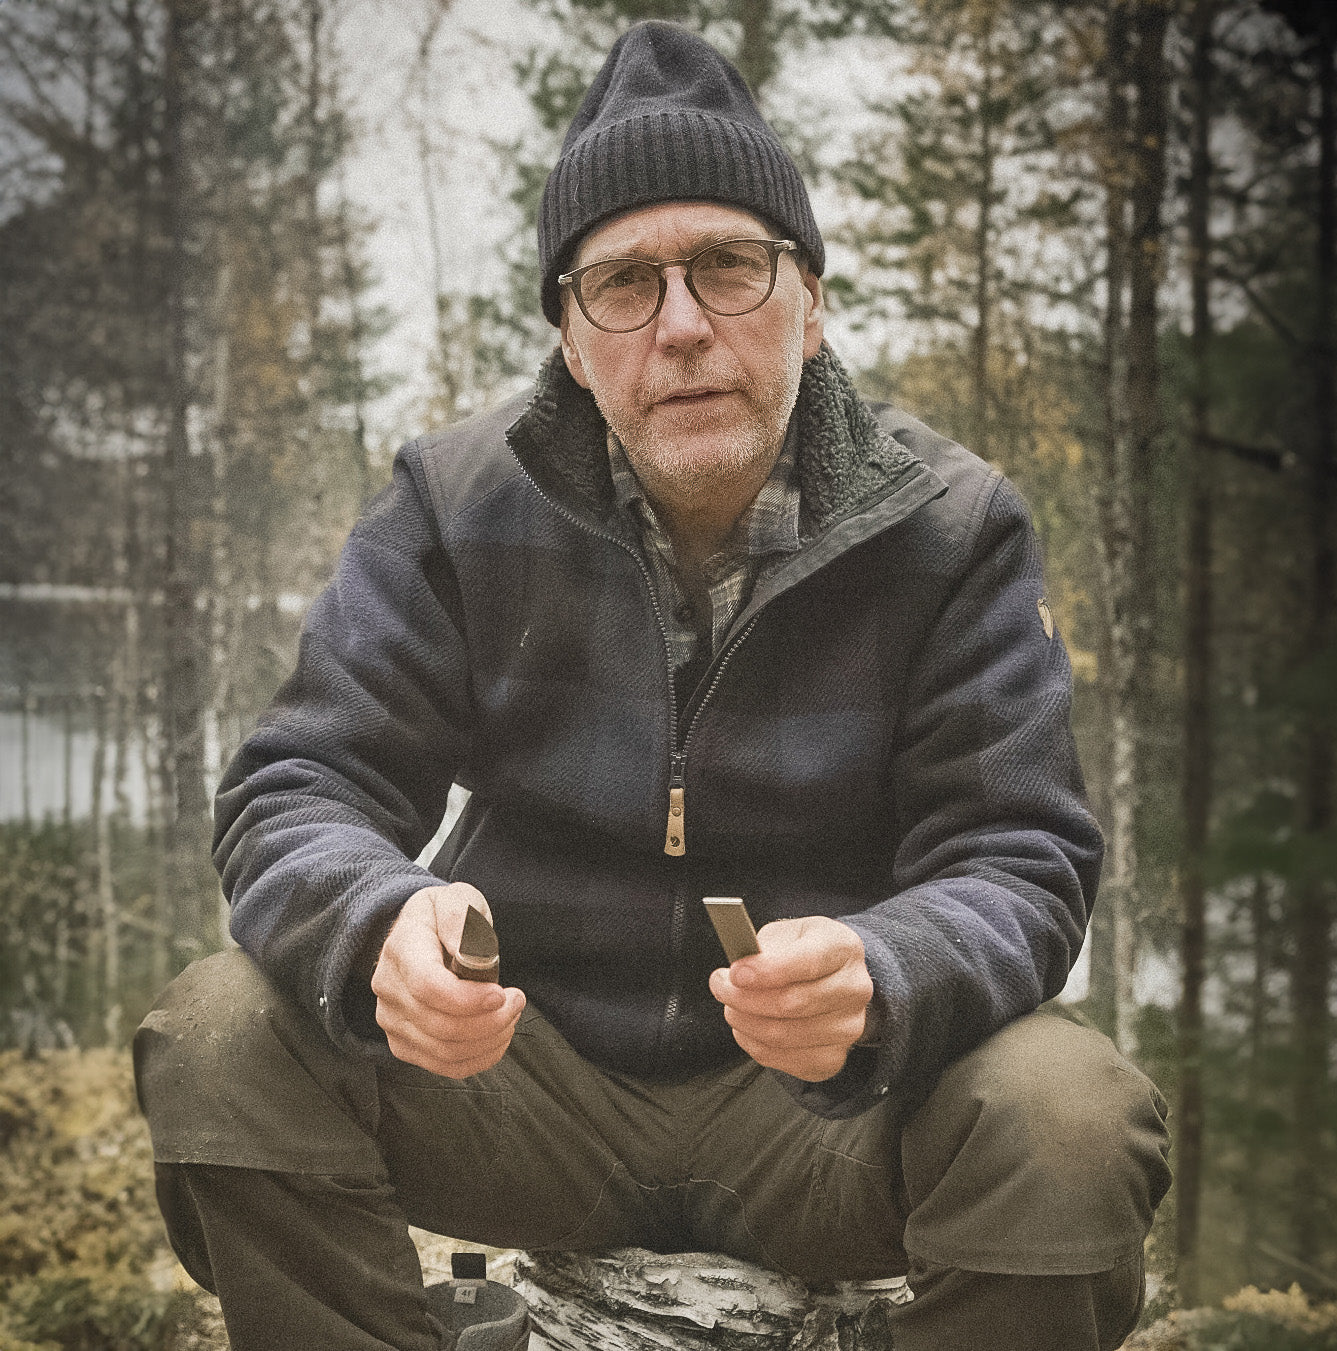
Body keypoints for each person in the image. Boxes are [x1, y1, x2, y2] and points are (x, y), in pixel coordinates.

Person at [135, 20, 1170, 1351]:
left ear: (811, 302)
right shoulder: (454, 504)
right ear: (572, 340)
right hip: (517, 1085)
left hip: (834, 1116)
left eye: (729, 267)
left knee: (1071, 1117)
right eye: (622, 283)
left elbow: (1022, 858)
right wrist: (377, 928)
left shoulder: (953, 527)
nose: (681, 327)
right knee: (220, 1032)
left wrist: (887, 973)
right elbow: (298, 784)